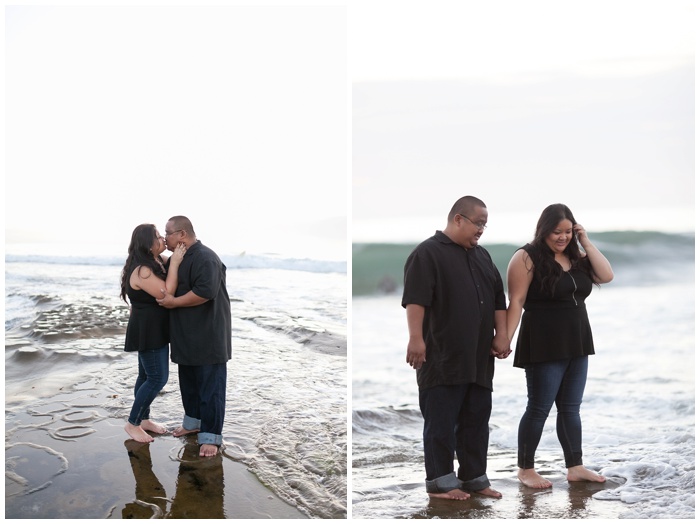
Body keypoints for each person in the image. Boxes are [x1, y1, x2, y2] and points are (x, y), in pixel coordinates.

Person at [402, 196, 510, 501]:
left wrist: (501, 335)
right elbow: (416, 299)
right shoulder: (427, 253)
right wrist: (415, 339)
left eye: (485, 225)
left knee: (477, 421)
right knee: (441, 423)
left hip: (478, 358)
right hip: (442, 356)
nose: (481, 230)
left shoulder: (483, 256)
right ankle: (440, 483)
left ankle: (475, 479)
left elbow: (497, 301)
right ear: (458, 219)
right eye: (478, 223)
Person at [505, 203, 614, 489]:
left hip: (577, 340)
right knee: (539, 407)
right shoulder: (525, 257)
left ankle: (575, 467)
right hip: (543, 341)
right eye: (557, 232)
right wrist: (504, 337)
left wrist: (585, 241)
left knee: (570, 408)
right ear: (544, 230)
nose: (562, 237)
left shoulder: (576, 257)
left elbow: (606, 275)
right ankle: (526, 469)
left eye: (568, 231)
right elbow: (515, 301)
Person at [157, 216, 232, 458]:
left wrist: (173, 302)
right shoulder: (178, 260)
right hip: (185, 335)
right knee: (189, 384)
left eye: (167, 233)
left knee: (211, 388)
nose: (165, 238)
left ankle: (211, 437)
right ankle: (192, 424)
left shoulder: (205, 257)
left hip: (208, 334)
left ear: (181, 234)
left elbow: (205, 292)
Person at [120, 224, 186, 443]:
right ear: (147, 243)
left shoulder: (154, 262)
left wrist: (174, 254)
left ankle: (144, 419)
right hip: (148, 330)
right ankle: (133, 423)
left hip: (149, 327)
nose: (163, 240)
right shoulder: (143, 270)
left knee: (145, 376)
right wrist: (175, 262)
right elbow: (167, 292)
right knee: (158, 378)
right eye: (158, 237)